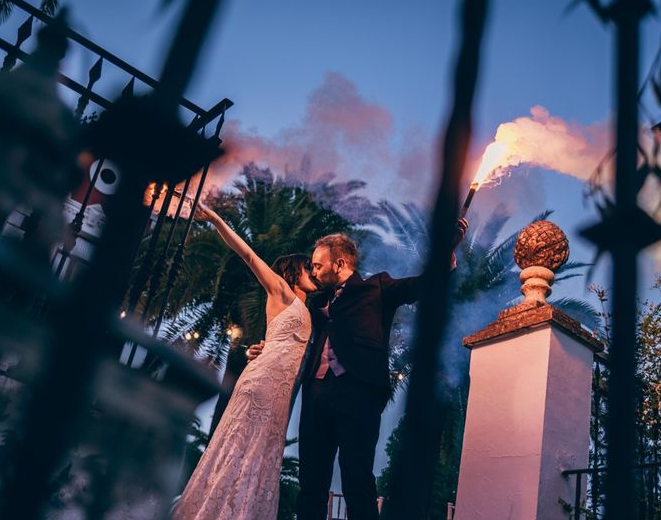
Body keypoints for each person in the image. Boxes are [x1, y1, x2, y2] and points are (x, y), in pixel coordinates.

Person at [247, 220, 468, 520]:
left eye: (316, 265)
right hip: (316, 395)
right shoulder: (315, 305)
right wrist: (264, 350)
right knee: (311, 481)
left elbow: (421, 286)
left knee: (357, 478)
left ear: (339, 263)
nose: (312, 271)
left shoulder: (377, 287)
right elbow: (293, 339)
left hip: (359, 393)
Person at [172, 202, 317, 520]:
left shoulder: (309, 308)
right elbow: (249, 256)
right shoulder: (279, 289)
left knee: (260, 453)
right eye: (309, 267)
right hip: (263, 383)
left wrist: (261, 348)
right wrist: (215, 220)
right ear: (294, 271)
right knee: (243, 446)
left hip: (278, 390)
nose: (314, 272)